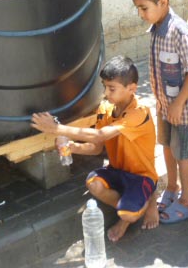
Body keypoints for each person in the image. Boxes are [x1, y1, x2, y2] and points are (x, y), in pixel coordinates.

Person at [30, 56, 159, 242]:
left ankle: (141, 205)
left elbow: (100, 135)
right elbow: (96, 147)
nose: (106, 93)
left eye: (111, 88)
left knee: (128, 214)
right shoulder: (106, 108)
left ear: (131, 89)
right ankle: (134, 203)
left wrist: (55, 128)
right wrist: (73, 147)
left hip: (141, 175)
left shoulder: (140, 112)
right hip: (117, 170)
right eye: (104, 86)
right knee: (93, 183)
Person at [131, 0, 188, 224]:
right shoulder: (156, 28)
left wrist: (179, 103)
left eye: (144, 8)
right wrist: (162, 103)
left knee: (182, 153)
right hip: (165, 105)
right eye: (138, 8)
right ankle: (172, 188)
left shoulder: (178, 30)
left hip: (182, 109)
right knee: (168, 147)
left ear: (162, 2)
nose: (141, 14)